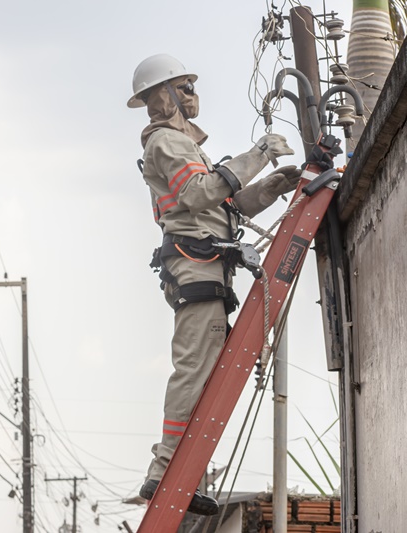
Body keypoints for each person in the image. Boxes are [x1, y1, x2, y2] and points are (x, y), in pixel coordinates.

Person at [127, 54, 301, 515]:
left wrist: (272, 187)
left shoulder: (186, 147)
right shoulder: (166, 142)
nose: (191, 95)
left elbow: (224, 208)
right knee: (194, 370)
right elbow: (200, 193)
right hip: (195, 268)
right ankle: (166, 472)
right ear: (162, 95)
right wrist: (259, 154)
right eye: (183, 87)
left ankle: (184, 473)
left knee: (205, 372)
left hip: (208, 266)